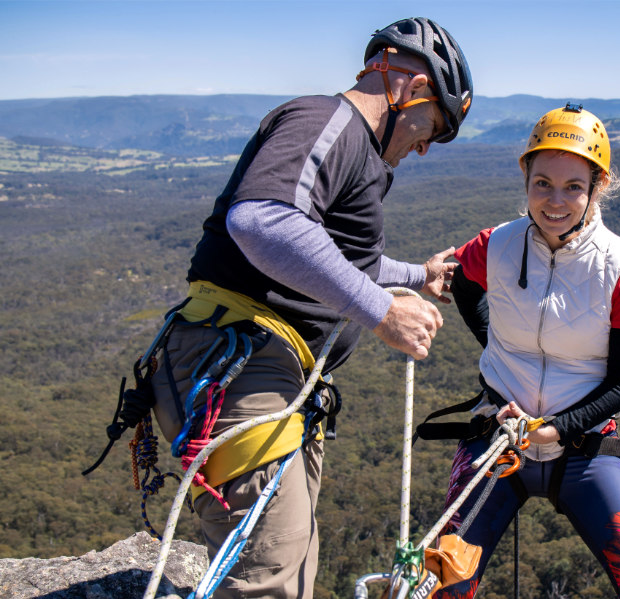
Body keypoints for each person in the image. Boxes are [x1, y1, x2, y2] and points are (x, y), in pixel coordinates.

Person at [145, 17, 472, 599]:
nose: (424, 144)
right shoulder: (329, 120)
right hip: (241, 364)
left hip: (261, 367)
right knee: (267, 579)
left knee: (290, 568)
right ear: (409, 87)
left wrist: (416, 277)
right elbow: (263, 219)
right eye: (433, 126)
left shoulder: (357, 149)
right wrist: (381, 311)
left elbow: (341, 260)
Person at [431, 104, 620, 598]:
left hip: (584, 445)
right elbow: (462, 280)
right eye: (543, 183)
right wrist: (495, 344)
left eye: (573, 186)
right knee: (437, 584)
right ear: (525, 178)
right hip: (498, 432)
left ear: (596, 187)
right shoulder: (495, 245)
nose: (555, 200)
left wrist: (559, 427)